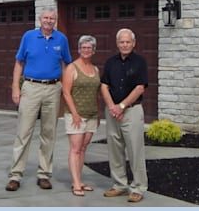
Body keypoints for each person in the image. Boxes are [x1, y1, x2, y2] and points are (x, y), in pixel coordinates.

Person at [5, 7, 72, 192]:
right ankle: (15, 175)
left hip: (53, 88)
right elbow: (19, 63)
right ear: (40, 19)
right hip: (31, 87)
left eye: (52, 18)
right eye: (46, 18)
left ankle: (44, 174)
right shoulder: (29, 37)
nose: (49, 21)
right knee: (24, 132)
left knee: (49, 133)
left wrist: (65, 88)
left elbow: (67, 65)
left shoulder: (61, 39)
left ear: (55, 21)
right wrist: (16, 87)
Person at [100, 28, 149, 203]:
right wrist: (112, 107)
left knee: (135, 150)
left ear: (134, 43)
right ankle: (119, 185)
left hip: (131, 111)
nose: (125, 44)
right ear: (117, 43)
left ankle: (138, 187)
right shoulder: (110, 62)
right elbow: (104, 85)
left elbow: (140, 87)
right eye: (122, 42)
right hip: (112, 112)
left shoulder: (140, 62)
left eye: (128, 42)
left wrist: (121, 106)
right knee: (115, 149)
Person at [61, 35, 101, 197]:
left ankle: (79, 180)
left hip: (91, 114)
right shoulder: (72, 68)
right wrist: (75, 114)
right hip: (75, 115)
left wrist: (97, 114)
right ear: (79, 49)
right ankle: (76, 183)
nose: (86, 50)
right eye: (83, 47)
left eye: (89, 48)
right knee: (75, 149)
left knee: (83, 148)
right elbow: (66, 92)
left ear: (93, 50)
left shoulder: (96, 69)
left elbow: (96, 94)